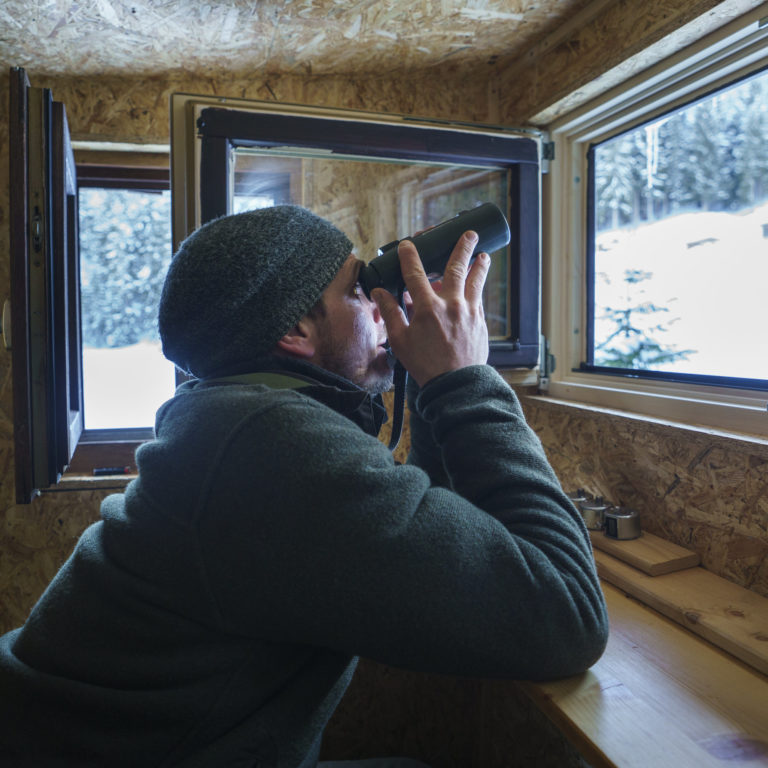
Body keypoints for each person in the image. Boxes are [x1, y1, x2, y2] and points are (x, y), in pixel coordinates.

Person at [0, 205, 609, 767]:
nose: (381, 305)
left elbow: (435, 528)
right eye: (356, 289)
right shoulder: (269, 446)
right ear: (296, 329)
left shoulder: (230, 419)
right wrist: (465, 378)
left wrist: (430, 381)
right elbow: (566, 616)